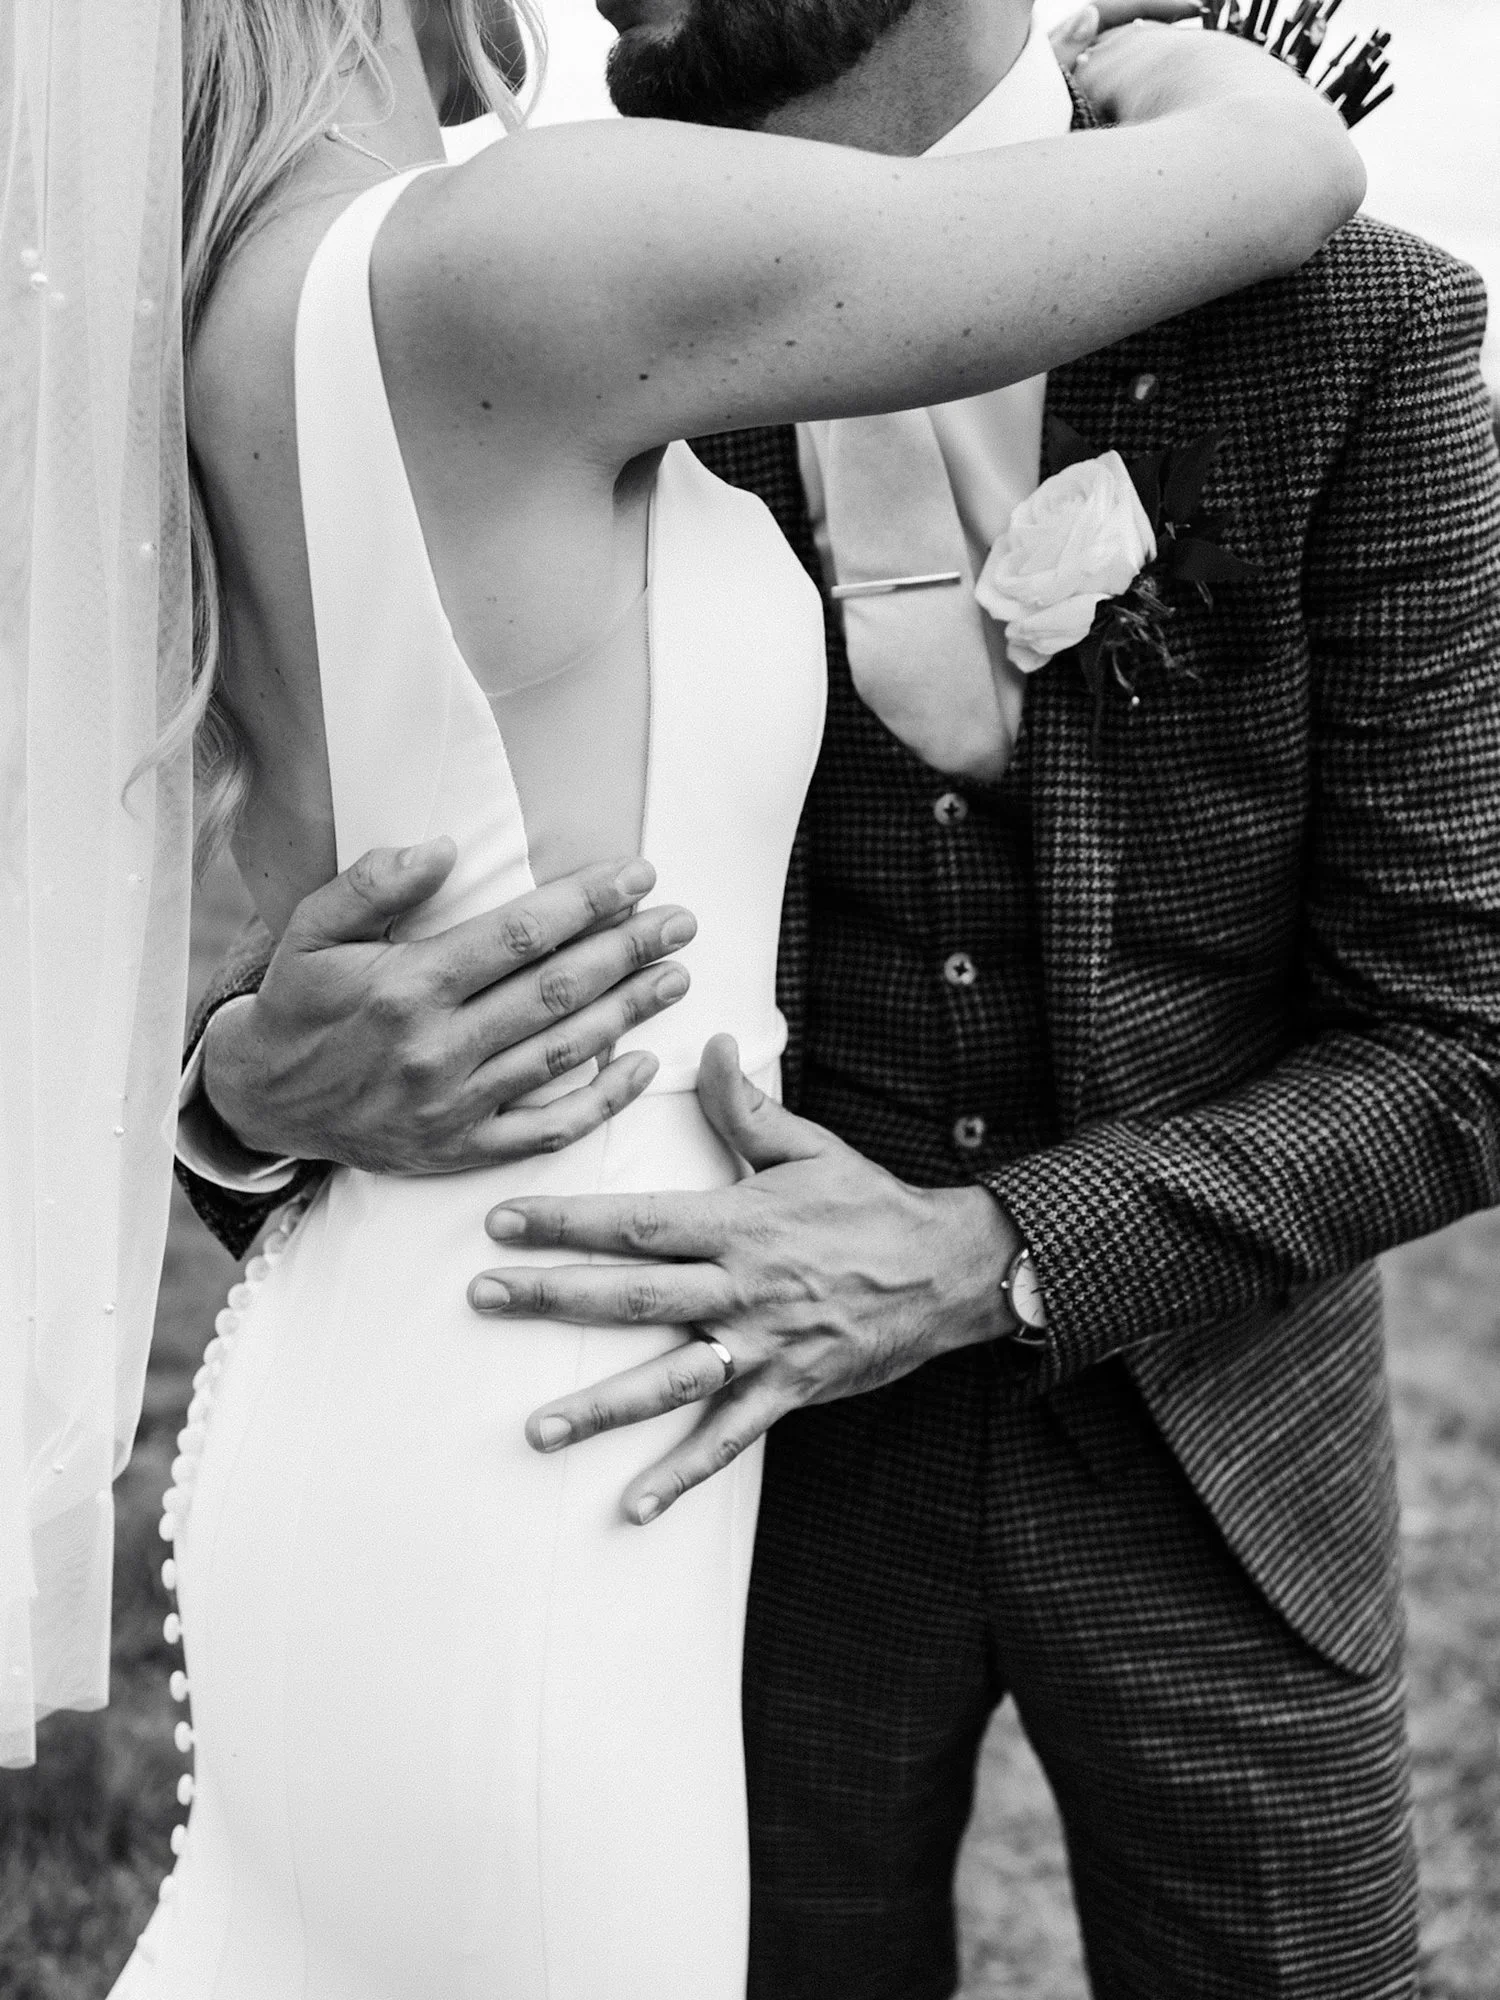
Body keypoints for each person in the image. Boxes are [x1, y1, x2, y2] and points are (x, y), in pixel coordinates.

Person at [175, 4, 1500, 1997]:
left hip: (1214, 1438)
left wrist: (983, 1256)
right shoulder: (595, 323)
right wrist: (244, 1094)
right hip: (718, 1461)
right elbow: (330, 856)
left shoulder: (1348, 328)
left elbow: (1454, 1036)